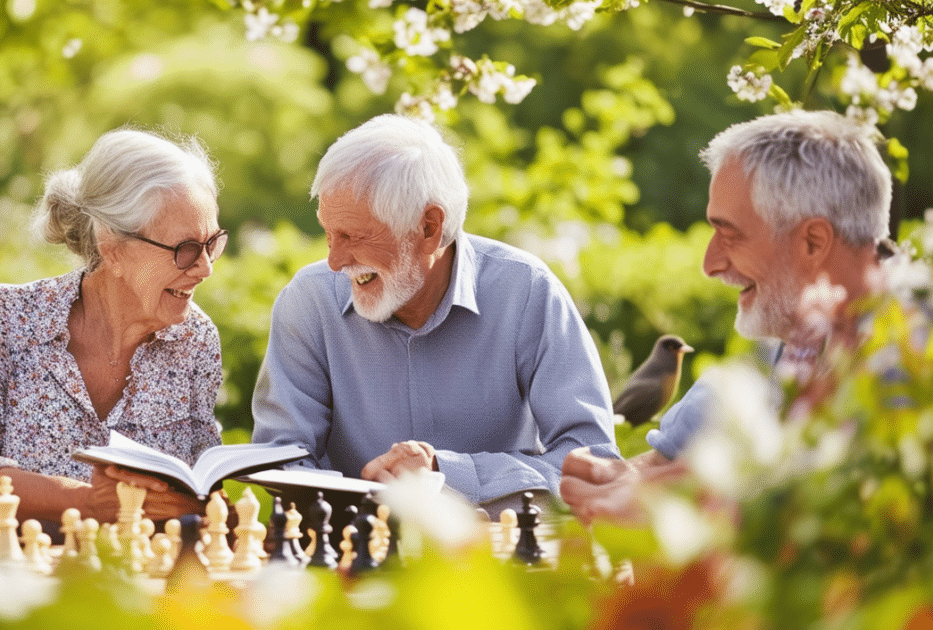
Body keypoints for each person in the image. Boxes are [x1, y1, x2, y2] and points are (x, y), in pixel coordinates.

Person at [251, 114, 618, 513]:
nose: (335, 261)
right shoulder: (308, 302)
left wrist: (447, 473)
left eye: (353, 237)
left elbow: (593, 464)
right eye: (328, 233)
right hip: (352, 560)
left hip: (496, 563)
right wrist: (373, 508)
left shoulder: (526, 292)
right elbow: (281, 460)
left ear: (428, 227)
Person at [560, 109, 894, 524]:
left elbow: (843, 503)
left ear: (812, 242)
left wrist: (675, 500)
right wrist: (619, 476)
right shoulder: (781, 343)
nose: (710, 264)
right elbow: (667, 462)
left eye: (730, 235)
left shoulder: (909, 356)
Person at [0, 128, 226, 524]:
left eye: (212, 244)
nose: (205, 269)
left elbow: (202, 491)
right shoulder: (1, 316)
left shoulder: (197, 340)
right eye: (186, 250)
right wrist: (86, 502)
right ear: (113, 248)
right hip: (15, 578)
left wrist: (203, 506)